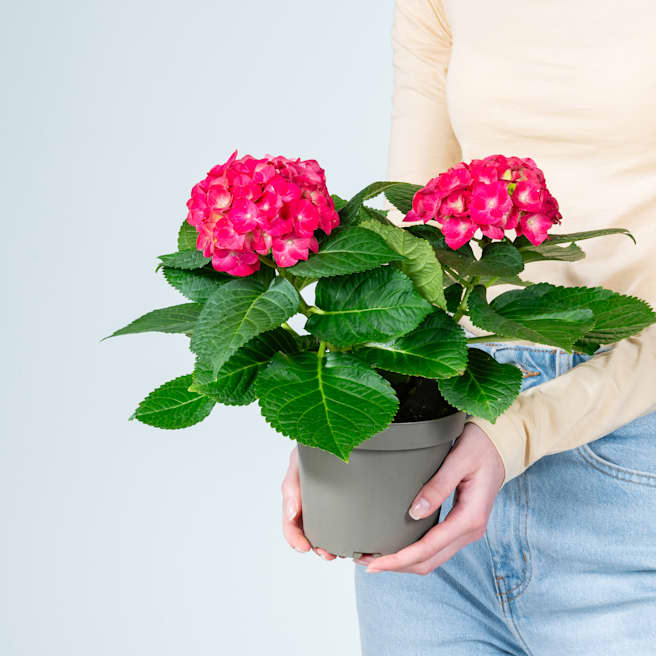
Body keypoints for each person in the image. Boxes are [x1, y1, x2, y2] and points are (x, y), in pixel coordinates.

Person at [281, 1, 656, 653]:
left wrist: (513, 432)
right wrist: (354, 418)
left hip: (627, 467)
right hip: (442, 450)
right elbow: (417, 235)